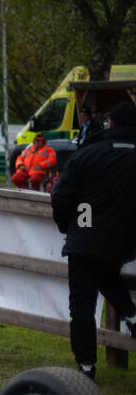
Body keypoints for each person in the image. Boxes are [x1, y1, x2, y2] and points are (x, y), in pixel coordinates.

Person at [50, 100, 136, 380]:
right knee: (107, 277)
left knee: (82, 307)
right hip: (122, 241)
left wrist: (68, 227)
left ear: (110, 122)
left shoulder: (88, 154)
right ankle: (131, 315)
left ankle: (86, 367)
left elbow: (61, 196)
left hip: (85, 239)